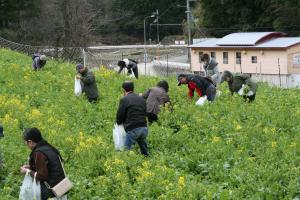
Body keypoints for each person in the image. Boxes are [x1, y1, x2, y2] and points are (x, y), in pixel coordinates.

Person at [20, 128, 67, 200]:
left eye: (26, 143)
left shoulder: (39, 153)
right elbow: (49, 166)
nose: (27, 146)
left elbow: (42, 176)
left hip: (52, 193)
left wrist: (27, 171)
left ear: (30, 142)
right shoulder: (48, 147)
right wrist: (31, 167)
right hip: (61, 188)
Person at [116, 81, 148, 156]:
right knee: (144, 149)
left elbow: (120, 115)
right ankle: (147, 158)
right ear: (133, 89)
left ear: (123, 90)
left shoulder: (125, 99)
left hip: (133, 128)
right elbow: (145, 112)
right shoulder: (141, 99)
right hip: (144, 127)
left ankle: (126, 164)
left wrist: (119, 124)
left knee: (125, 150)